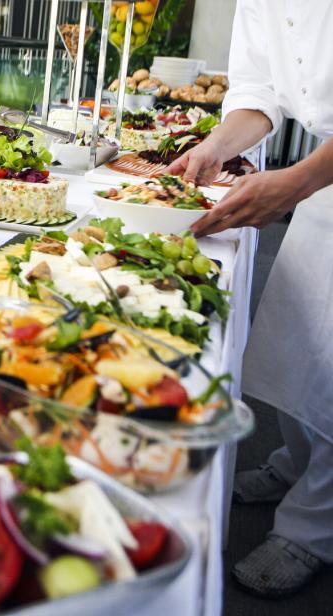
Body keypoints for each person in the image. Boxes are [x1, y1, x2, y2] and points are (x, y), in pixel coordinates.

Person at [165, 0, 333, 599]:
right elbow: (257, 89)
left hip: (321, 169)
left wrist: (298, 181)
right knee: (299, 339)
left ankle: (313, 529)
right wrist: (215, 145)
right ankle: (294, 463)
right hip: (324, 175)